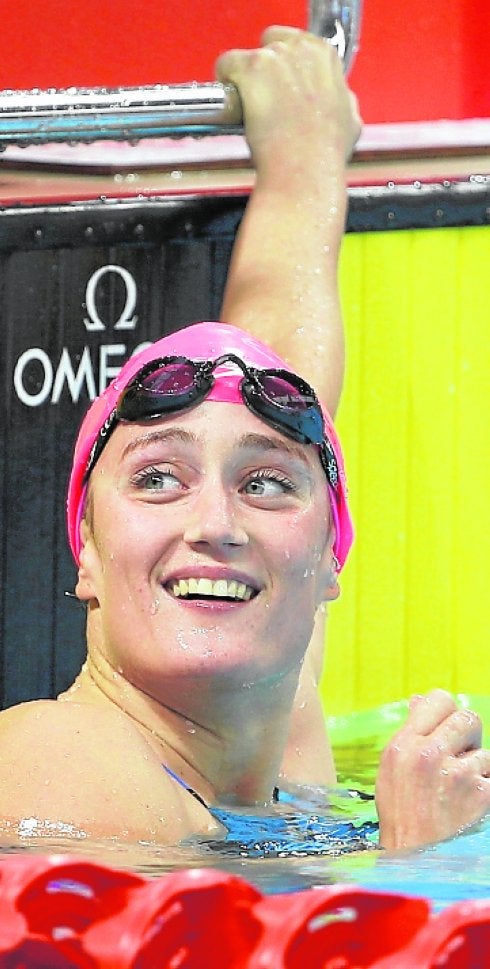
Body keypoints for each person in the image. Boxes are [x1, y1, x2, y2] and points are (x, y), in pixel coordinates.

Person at [0, 27, 489, 854]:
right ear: (85, 548)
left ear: (328, 559)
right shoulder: (59, 764)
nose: (216, 523)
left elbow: (288, 361)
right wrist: (413, 860)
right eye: (159, 478)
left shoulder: (276, 726)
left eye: (264, 484)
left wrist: (306, 159)